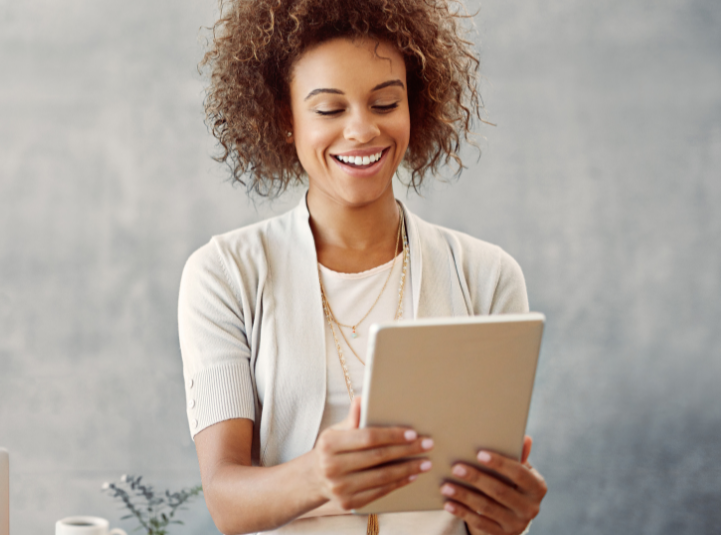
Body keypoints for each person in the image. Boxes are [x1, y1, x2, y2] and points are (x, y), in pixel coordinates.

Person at [177, 1, 548, 534]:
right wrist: (319, 478)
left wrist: (505, 519)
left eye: (385, 103)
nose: (361, 131)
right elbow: (226, 502)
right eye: (329, 110)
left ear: (414, 105)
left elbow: (478, 507)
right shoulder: (226, 274)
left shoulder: (487, 275)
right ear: (285, 119)